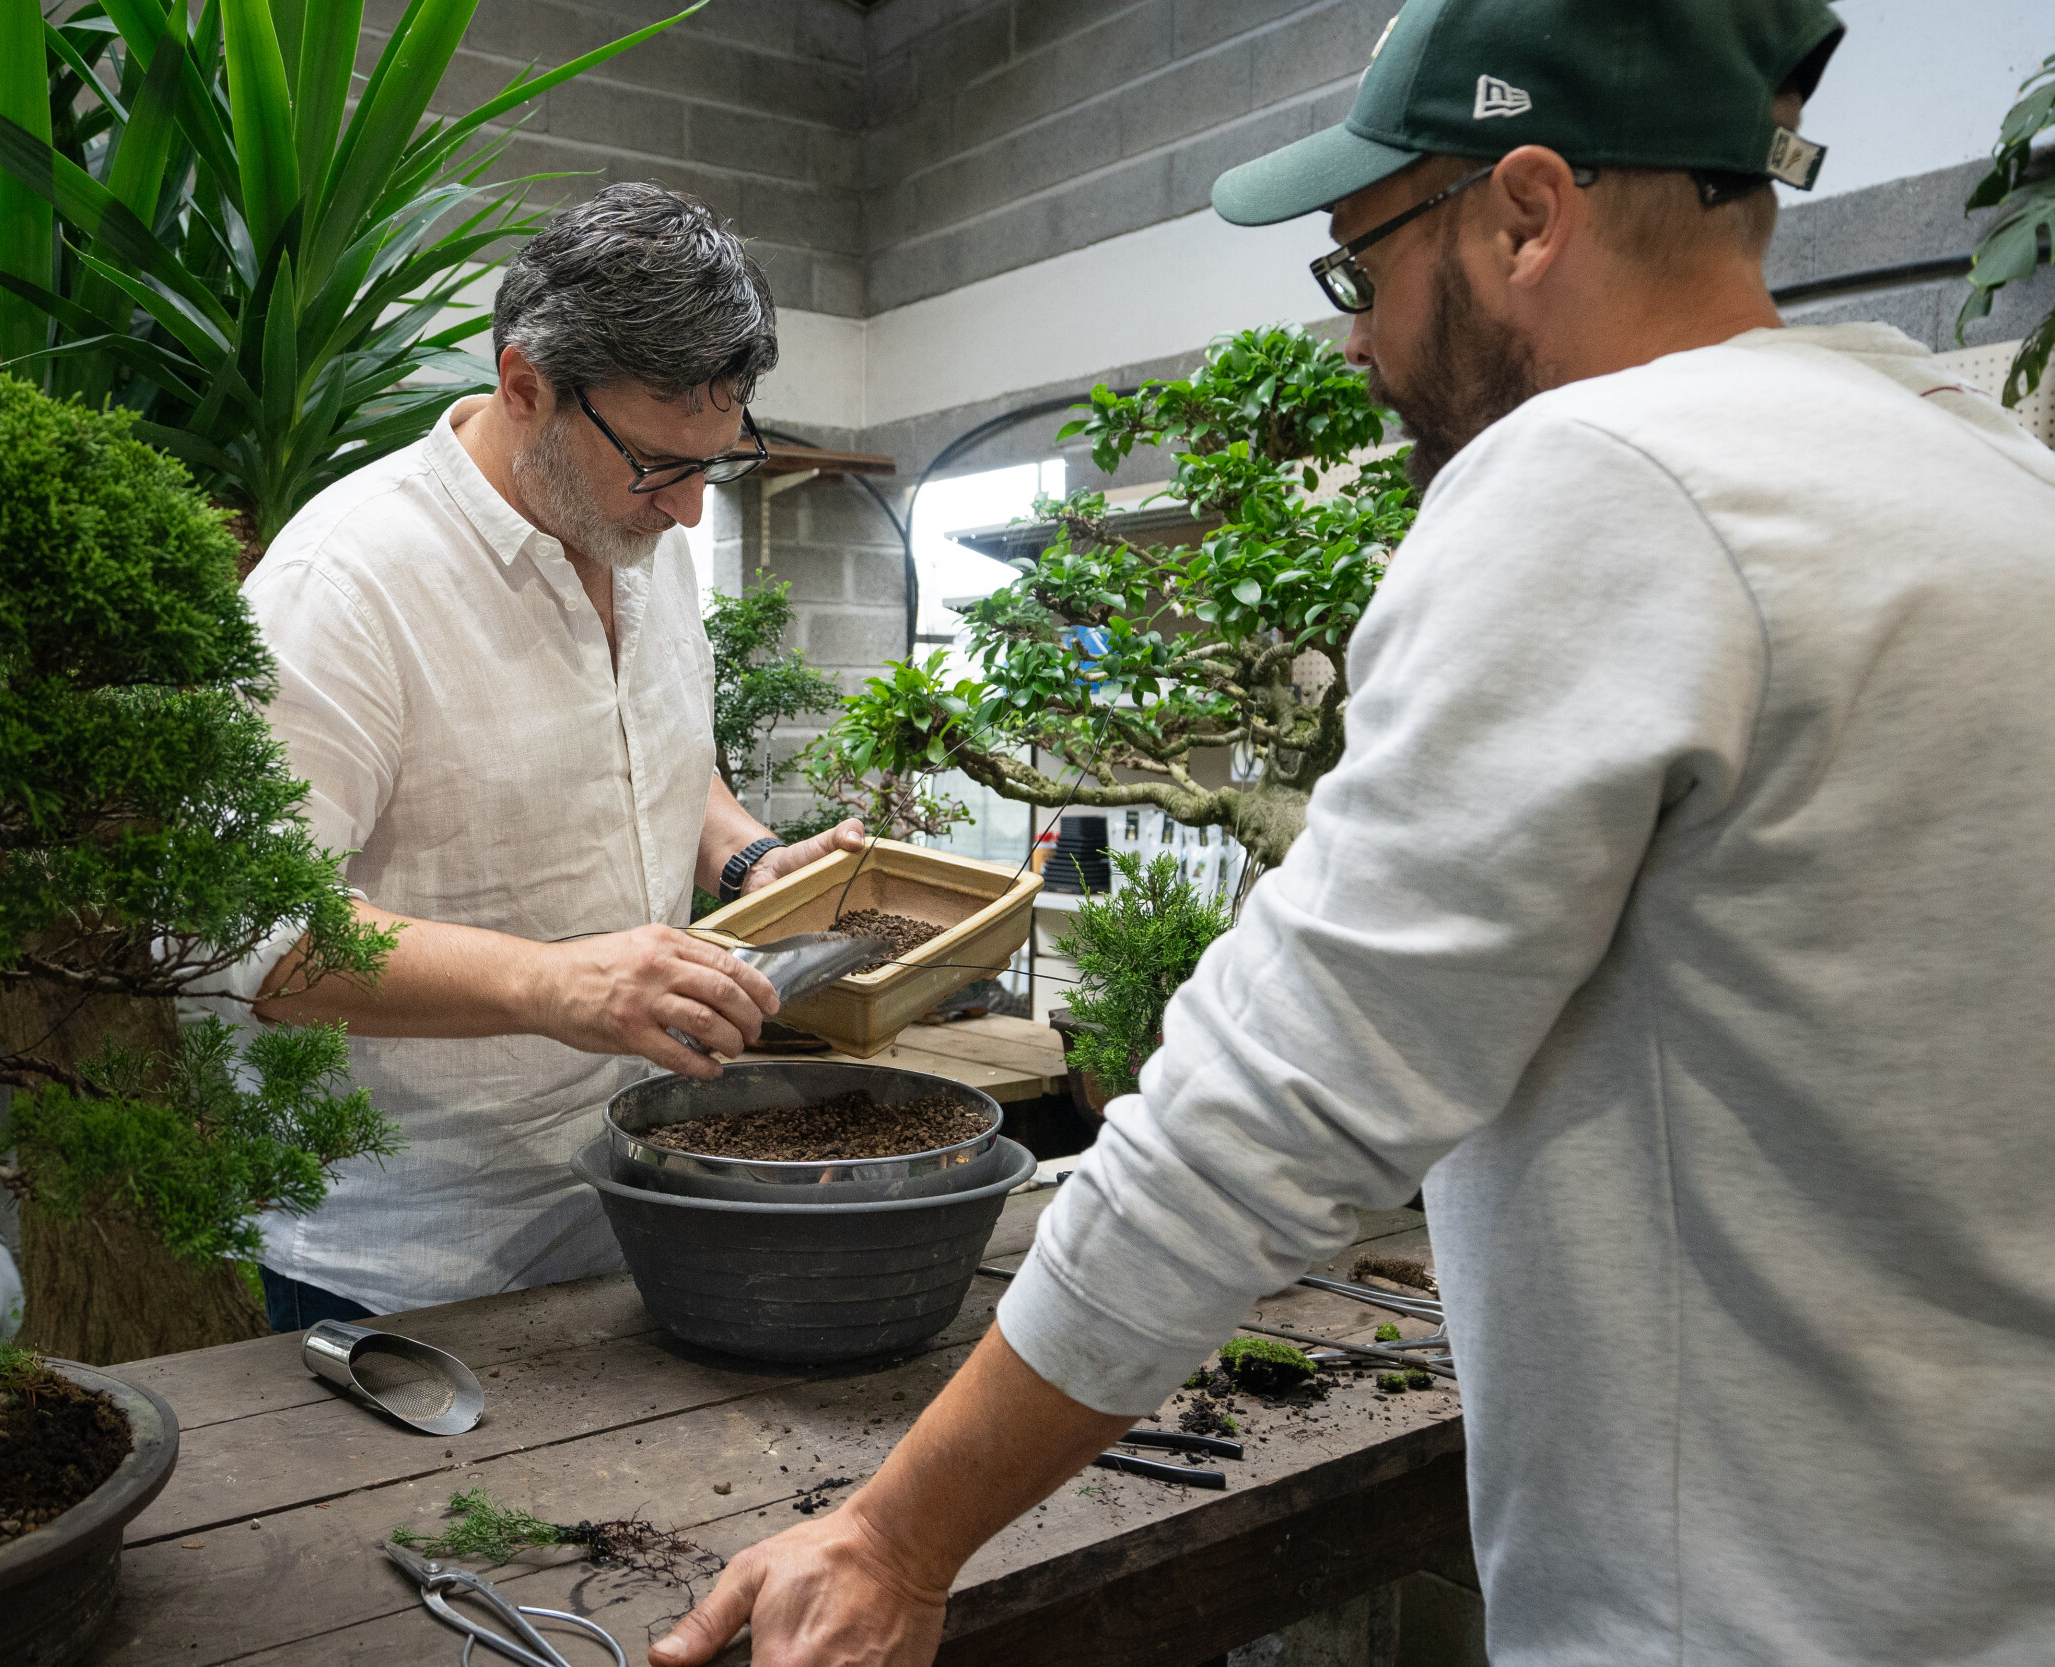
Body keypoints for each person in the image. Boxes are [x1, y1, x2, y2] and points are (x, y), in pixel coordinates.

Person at [648, 1, 2055, 1663]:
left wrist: (896, 1535)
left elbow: (1272, 1099)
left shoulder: (1606, 478)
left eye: (1361, 269)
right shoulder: (1986, 477)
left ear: (1526, 214)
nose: (1356, 342)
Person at [217, 184, 868, 1330]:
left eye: (715, 464)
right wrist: (554, 981)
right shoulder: (344, 585)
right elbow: (249, 938)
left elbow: (655, 746)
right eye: (663, 466)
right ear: (526, 387)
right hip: (410, 1259)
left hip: (630, 1187)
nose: (687, 514)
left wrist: (749, 857)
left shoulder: (634, 531)